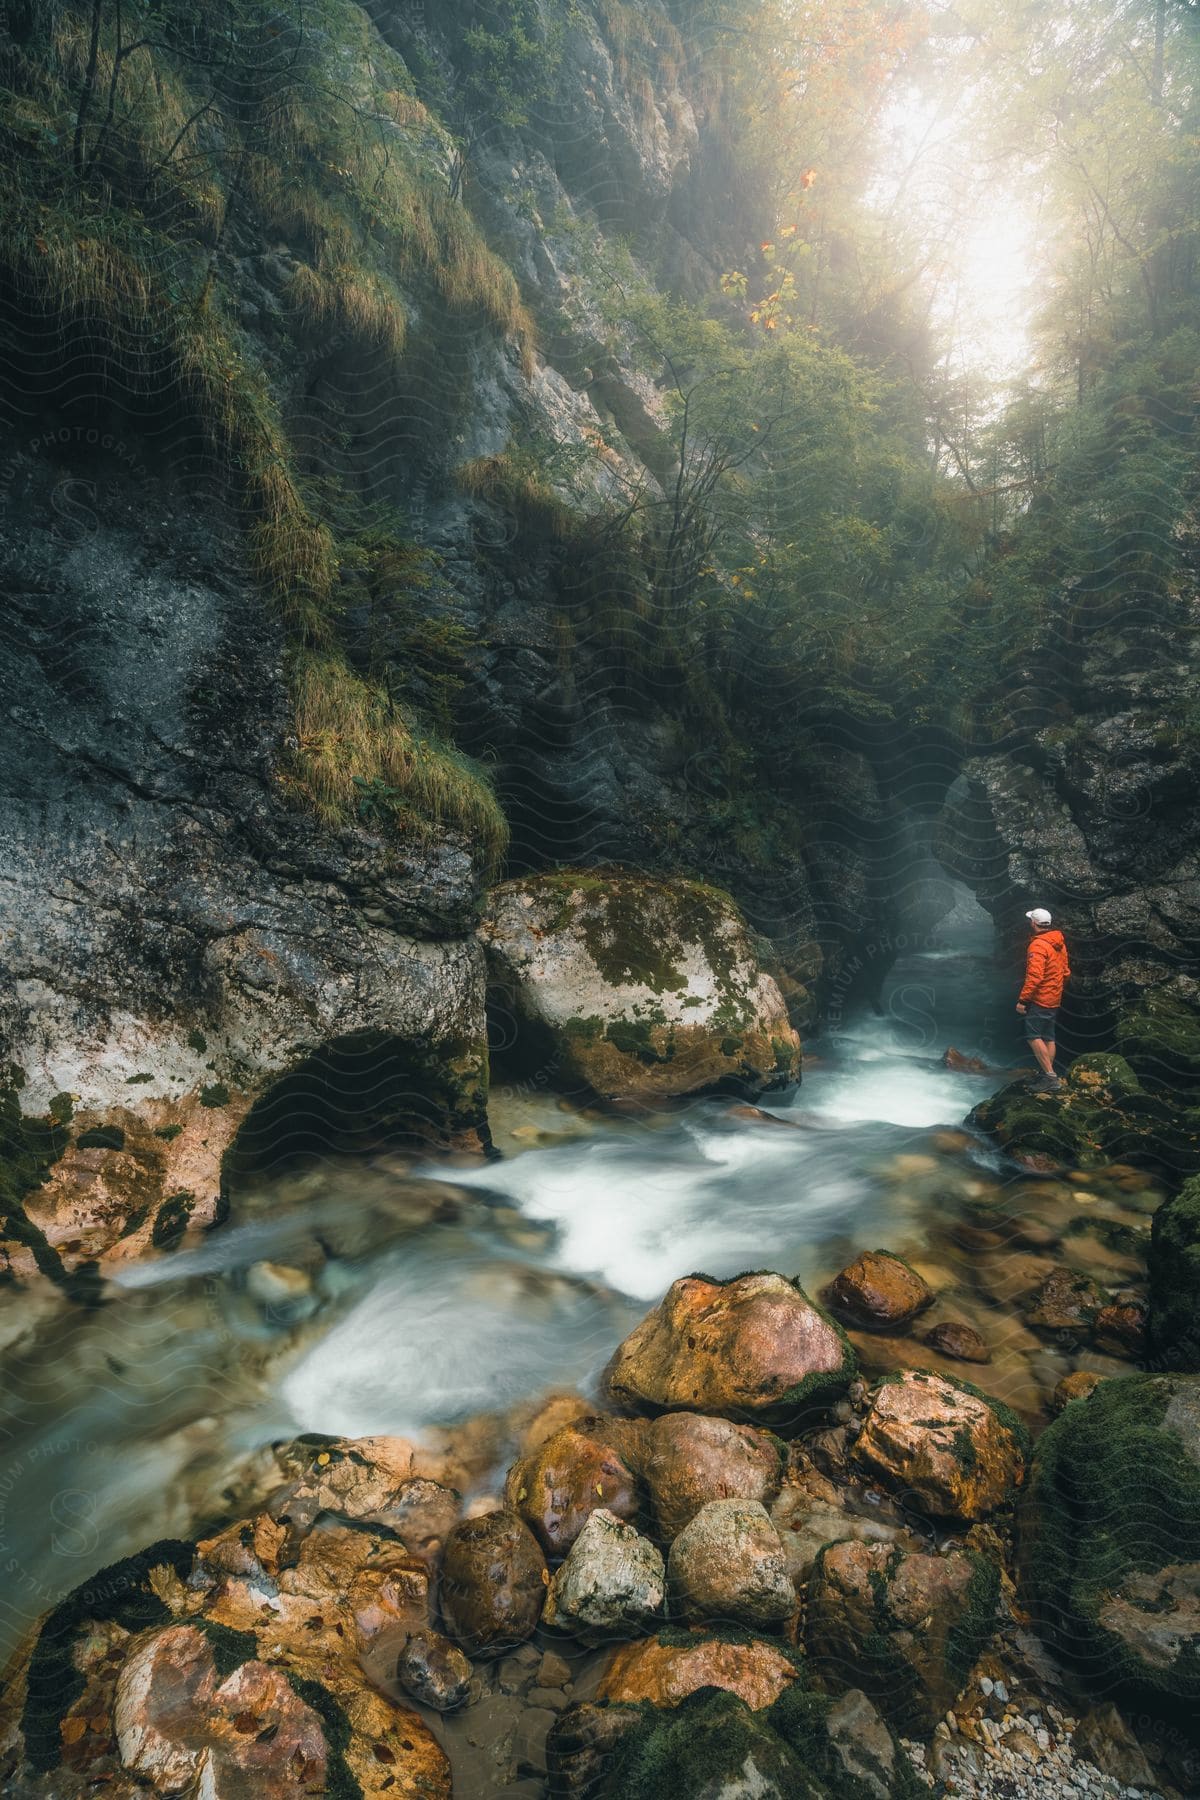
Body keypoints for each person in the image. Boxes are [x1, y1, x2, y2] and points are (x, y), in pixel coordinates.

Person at [1016, 906, 1070, 1092]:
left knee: (1033, 1036)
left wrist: (1023, 1001)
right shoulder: (1059, 942)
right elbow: (1065, 971)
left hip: (1041, 998)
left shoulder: (1038, 945)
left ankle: (1050, 1077)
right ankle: (1046, 1073)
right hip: (1055, 997)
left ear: (1033, 923)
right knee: (1048, 1036)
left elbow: (1035, 977)